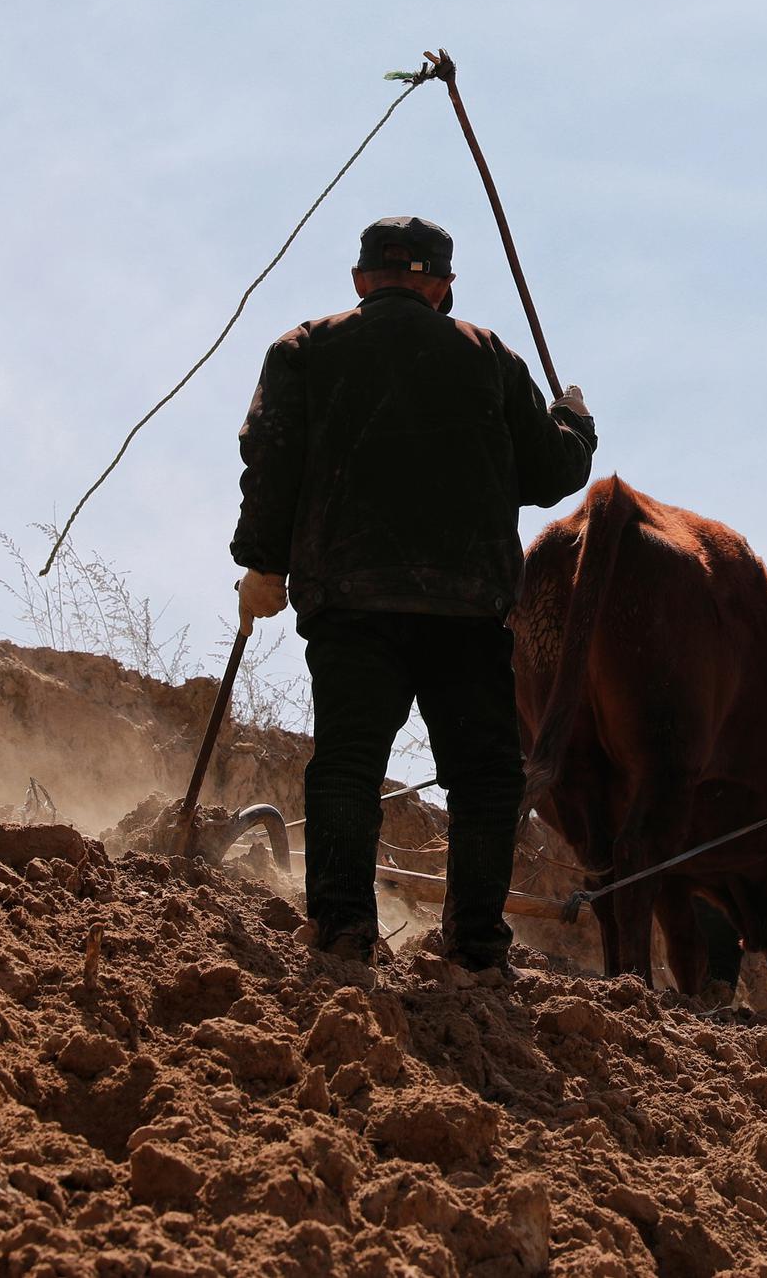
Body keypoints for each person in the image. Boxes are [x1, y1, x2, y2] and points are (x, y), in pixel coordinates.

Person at [230, 215, 596, 971]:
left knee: (347, 763)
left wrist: (261, 563)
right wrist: (576, 423)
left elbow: (269, 457)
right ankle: (476, 946)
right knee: (485, 777)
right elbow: (553, 472)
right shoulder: (488, 357)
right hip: (466, 612)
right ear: (441, 286)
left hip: (349, 605)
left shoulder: (304, 349)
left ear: (362, 279)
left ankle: (342, 932)